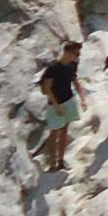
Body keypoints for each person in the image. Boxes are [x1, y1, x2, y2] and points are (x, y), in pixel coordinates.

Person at [38, 40, 85, 172]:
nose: (77, 56)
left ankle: (61, 161)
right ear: (67, 52)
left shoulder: (72, 65)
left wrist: (83, 98)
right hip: (55, 104)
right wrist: (56, 105)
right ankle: (52, 163)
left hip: (68, 100)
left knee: (64, 131)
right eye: (76, 53)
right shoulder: (53, 68)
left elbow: (75, 81)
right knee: (54, 133)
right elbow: (47, 88)